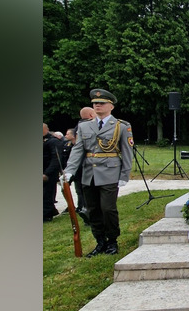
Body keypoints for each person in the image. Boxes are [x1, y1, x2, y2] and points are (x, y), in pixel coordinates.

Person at [62, 88, 133, 257]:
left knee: (108, 209)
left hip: (110, 172)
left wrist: (124, 175)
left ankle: (112, 241)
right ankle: (100, 241)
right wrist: (69, 171)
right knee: (92, 210)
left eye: (101, 103)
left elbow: (127, 152)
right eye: (95, 104)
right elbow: (78, 150)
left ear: (111, 106)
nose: (97, 106)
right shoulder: (85, 126)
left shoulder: (121, 126)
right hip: (89, 174)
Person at [73, 106, 95, 214]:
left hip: (81, 162)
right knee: (88, 189)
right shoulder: (86, 127)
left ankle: (84, 208)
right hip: (87, 162)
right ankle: (87, 210)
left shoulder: (77, 126)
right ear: (91, 115)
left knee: (82, 189)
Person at [43, 123, 65, 222]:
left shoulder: (53, 141)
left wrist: (47, 173)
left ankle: (46, 215)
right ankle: (51, 211)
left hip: (48, 171)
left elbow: (56, 159)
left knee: (47, 194)